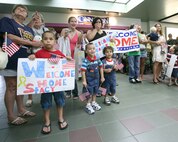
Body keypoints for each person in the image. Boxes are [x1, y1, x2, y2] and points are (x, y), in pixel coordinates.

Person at [0, 4, 42, 125]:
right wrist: (33, 44)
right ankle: (10, 116)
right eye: (19, 9)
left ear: (26, 15)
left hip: (25, 60)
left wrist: (33, 21)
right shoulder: (7, 21)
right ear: (13, 13)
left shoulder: (28, 28)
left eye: (25, 10)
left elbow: (24, 32)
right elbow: (11, 37)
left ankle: (21, 109)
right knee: (11, 86)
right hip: (11, 58)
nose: (22, 10)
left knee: (21, 85)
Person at [28, 31, 70, 134]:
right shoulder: (38, 53)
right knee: (46, 103)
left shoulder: (59, 54)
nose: (48, 41)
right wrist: (32, 58)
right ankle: (47, 121)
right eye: (46, 39)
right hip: (45, 85)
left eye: (51, 39)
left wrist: (67, 59)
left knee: (60, 101)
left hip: (57, 85)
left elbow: (64, 66)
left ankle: (60, 118)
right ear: (42, 41)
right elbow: (32, 67)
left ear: (55, 41)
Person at [26, 11, 49, 107]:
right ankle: (30, 98)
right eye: (34, 18)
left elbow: (50, 40)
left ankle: (43, 97)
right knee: (30, 77)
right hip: (31, 55)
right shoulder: (28, 29)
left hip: (43, 55)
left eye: (38, 18)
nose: (36, 20)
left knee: (44, 76)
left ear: (42, 21)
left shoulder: (45, 29)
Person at [61, 16, 82, 99]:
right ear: (68, 23)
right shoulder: (64, 30)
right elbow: (61, 42)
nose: (73, 23)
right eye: (72, 21)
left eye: (75, 21)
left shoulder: (79, 33)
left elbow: (79, 45)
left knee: (73, 75)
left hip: (74, 57)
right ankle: (68, 92)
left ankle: (75, 93)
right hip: (65, 56)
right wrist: (65, 36)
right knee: (66, 74)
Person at [81, 43, 105, 114]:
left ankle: (93, 102)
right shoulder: (85, 61)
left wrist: (102, 77)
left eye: (93, 48)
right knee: (89, 92)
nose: (92, 50)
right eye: (90, 49)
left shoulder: (97, 59)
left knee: (95, 91)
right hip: (89, 80)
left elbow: (101, 67)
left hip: (96, 79)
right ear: (86, 51)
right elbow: (83, 71)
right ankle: (88, 105)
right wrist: (84, 81)